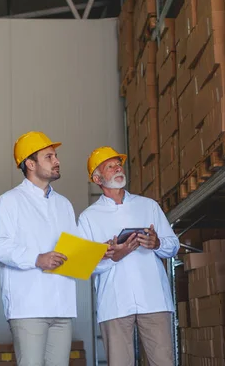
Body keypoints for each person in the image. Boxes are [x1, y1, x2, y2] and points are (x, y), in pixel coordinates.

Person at [78, 146, 180, 366]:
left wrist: (157, 243)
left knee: (163, 361)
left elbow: (173, 246)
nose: (118, 169)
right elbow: (82, 265)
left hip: (153, 299)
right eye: (110, 166)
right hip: (114, 303)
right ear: (97, 178)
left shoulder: (148, 206)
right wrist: (111, 257)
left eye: (118, 164)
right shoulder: (88, 218)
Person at [0, 131, 77, 366]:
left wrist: (98, 251)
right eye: (49, 157)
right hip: (29, 306)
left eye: (56, 156)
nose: (57, 161)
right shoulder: (10, 201)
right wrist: (37, 259)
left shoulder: (64, 204)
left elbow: (73, 248)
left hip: (62, 305)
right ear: (30, 163)